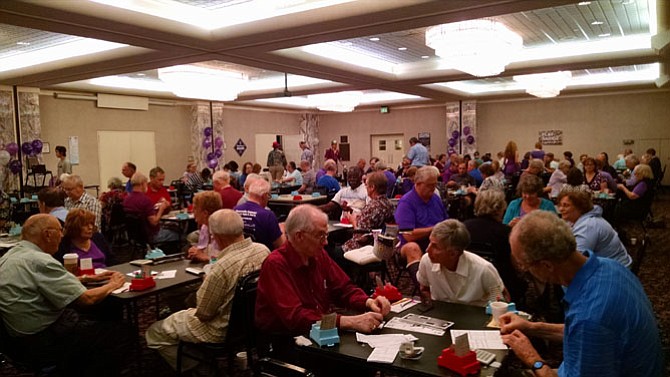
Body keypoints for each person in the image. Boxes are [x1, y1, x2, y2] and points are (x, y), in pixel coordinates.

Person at [500, 210, 663, 377]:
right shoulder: (610, 266)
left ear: (546, 266)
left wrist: (532, 358)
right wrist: (532, 327)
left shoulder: (590, 316)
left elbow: (588, 326)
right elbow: (580, 333)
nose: (524, 271)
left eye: (524, 266)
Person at [0, 214, 132, 377]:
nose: (62, 235)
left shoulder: (11, 256)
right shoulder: (41, 261)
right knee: (122, 333)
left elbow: (40, 282)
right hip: (44, 340)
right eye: (59, 231)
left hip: (17, 341)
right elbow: (87, 299)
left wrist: (84, 278)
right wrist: (114, 284)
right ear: (48, 234)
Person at [146, 209, 270, 372]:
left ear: (217, 237)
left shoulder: (222, 267)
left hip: (220, 331)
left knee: (154, 333)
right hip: (250, 325)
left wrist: (207, 281)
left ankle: (200, 369)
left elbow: (204, 313)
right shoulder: (263, 250)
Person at [255, 204, 390, 336]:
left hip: (319, 329)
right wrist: (349, 321)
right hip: (285, 339)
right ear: (299, 236)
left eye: (326, 235)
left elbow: (343, 288)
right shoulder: (276, 264)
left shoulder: (318, 254)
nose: (325, 242)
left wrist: (368, 302)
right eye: (320, 236)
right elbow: (297, 318)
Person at [417, 219, 507, 307]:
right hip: (442, 315)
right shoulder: (426, 261)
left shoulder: (483, 269)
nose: (427, 250)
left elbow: (500, 300)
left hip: (475, 317)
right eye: (430, 242)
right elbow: (424, 288)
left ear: (453, 253)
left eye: (435, 246)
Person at [464, 190, 525, 303]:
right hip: (500, 285)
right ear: (498, 209)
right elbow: (515, 264)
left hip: (468, 282)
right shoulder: (505, 232)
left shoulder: (464, 227)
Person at [395, 166, 449, 287]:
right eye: (430, 185)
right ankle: (423, 288)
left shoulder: (435, 199)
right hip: (410, 244)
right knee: (412, 248)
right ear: (418, 184)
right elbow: (408, 235)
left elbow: (446, 223)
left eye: (435, 185)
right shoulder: (406, 202)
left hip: (436, 240)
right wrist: (434, 229)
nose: (433, 188)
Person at [557, 188, 631, 268]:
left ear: (580, 207)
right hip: (612, 264)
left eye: (566, 205)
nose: (560, 209)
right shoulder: (578, 220)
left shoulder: (588, 226)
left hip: (616, 270)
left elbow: (575, 262)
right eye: (560, 205)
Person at [342, 172, 395, 252]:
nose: (365, 187)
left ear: (372, 187)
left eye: (366, 185)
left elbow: (360, 237)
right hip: (381, 246)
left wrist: (353, 221)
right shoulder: (390, 205)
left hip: (362, 248)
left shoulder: (371, 207)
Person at [123, 172, 178, 243]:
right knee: (179, 234)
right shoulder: (145, 200)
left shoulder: (126, 199)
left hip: (135, 236)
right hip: (151, 235)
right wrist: (161, 209)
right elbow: (154, 222)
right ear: (142, 184)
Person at [234, 179, 285, 251]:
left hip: (240, 254)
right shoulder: (268, 215)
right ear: (264, 196)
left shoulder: (235, 210)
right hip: (264, 256)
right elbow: (280, 245)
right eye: (268, 196)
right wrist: (282, 229)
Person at [185, 191, 223, 263]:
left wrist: (206, 258)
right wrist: (196, 252)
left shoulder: (222, 231)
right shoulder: (204, 227)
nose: (193, 211)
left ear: (205, 213)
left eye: (195, 208)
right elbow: (202, 250)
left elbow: (225, 261)